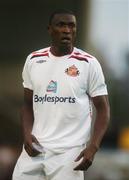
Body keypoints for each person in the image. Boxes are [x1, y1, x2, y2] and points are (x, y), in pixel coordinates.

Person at [12, 9, 110, 180]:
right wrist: (26, 134)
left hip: (69, 153)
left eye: (72, 26)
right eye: (61, 25)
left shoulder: (89, 63)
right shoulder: (34, 60)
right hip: (35, 149)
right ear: (49, 29)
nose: (67, 30)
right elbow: (27, 104)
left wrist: (93, 147)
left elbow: (103, 109)